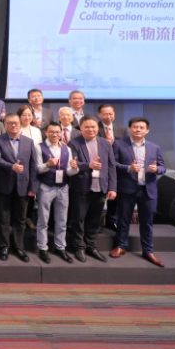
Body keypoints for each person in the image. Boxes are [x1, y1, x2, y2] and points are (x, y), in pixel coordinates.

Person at [111, 117, 167, 267]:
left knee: (147, 222)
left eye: (142, 127)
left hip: (147, 189)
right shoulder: (119, 144)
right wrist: (128, 168)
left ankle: (148, 250)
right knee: (123, 219)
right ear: (130, 129)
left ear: (147, 130)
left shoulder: (154, 147)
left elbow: (163, 167)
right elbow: (113, 164)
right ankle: (121, 246)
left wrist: (157, 169)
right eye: (135, 127)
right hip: (127, 188)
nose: (138, 130)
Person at [68, 115, 117, 263]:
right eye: (87, 127)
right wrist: (88, 165)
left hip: (100, 187)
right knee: (78, 219)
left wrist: (112, 188)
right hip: (81, 187)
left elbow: (111, 166)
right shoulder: (73, 143)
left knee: (95, 219)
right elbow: (72, 164)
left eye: (93, 126)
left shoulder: (105, 143)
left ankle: (91, 245)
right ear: (81, 128)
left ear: (97, 128)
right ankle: (79, 247)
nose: (90, 129)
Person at [0, 113, 38, 262]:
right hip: (3, 186)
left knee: (20, 219)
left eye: (15, 122)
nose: (13, 125)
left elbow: (33, 165)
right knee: (3, 219)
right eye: (10, 123)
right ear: (5, 125)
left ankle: (19, 247)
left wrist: (33, 187)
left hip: (23, 187)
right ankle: (4, 247)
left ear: (20, 123)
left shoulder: (29, 142)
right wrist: (12, 167)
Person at [35, 121, 79, 263]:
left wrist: (75, 168)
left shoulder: (67, 149)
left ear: (61, 133)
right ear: (46, 132)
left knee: (62, 220)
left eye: (57, 132)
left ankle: (60, 247)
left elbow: (69, 171)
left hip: (63, 187)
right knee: (43, 220)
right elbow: (37, 169)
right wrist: (48, 165)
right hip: (46, 187)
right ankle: (43, 248)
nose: (54, 134)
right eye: (51, 131)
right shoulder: (39, 147)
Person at [97, 103, 124, 230]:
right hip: (99, 166)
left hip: (116, 166)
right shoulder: (94, 127)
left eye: (110, 114)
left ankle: (111, 221)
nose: (108, 116)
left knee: (114, 195)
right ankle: (96, 223)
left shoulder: (122, 129)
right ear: (99, 115)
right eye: (105, 114)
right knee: (98, 197)